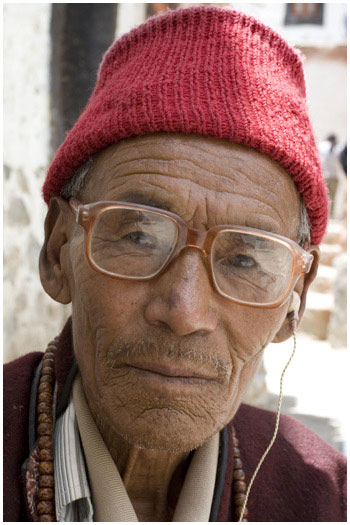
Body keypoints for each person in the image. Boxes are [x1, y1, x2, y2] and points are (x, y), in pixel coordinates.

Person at [4, 6, 346, 522]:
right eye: (140, 234)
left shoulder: (322, 497)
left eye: (246, 259)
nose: (184, 311)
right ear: (58, 250)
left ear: (294, 299)